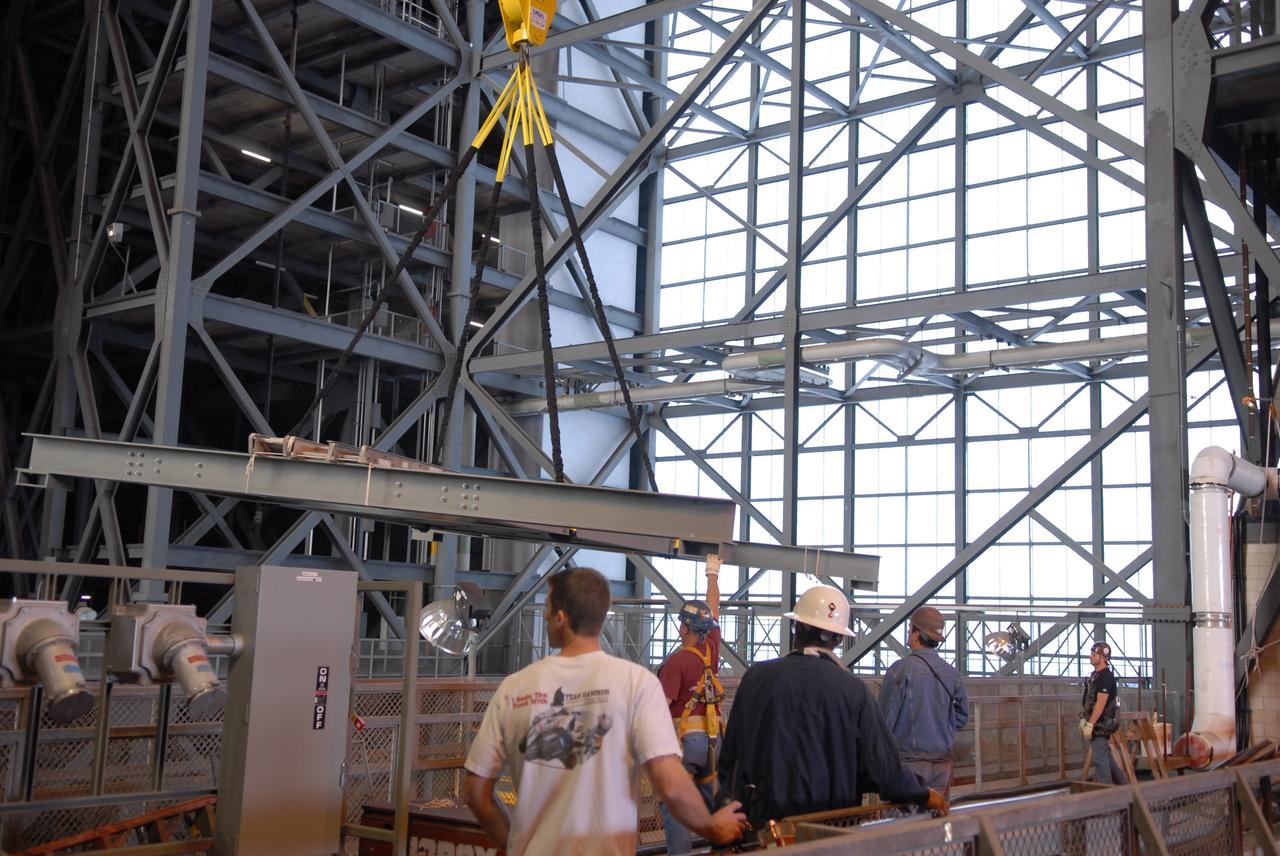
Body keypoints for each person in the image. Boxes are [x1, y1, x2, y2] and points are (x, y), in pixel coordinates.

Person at [462, 567, 746, 855]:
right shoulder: (636, 683)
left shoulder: (514, 689)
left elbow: (475, 793)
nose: (545, 616)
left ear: (561, 617)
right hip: (708, 742)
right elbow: (671, 785)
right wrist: (713, 827)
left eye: (548, 609)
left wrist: (515, 845)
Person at [717, 585, 948, 828]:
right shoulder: (853, 690)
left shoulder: (756, 678)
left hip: (764, 830)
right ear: (839, 638)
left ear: (795, 628)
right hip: (829, 833)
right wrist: (924, 793)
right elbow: (884, 771)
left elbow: (729, 760)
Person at [656, 555, 724, 854]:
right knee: (713, 809)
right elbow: (714, 609)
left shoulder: (676, 662)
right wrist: (713, 575)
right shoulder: (711, 650)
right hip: (713, 742)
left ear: (684, 628)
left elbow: (661, 707)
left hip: (683, 743)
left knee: (677, 808)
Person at [877, 605, 970, 800]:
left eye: (910, 627)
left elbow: (884, 723)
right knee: (935, 822)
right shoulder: (953, 675)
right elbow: (962, 718)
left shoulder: (900, 670)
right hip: (943, 764)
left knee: (904, 825)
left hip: (908, 765)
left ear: (916, 633)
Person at [1079, 640, 1124, 784]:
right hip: (1097, 723)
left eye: (1094, 654)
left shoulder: (1105, 677)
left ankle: (1109, 798)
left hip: (1101, 725)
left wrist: (1090, 724)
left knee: (1100, 761)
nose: (1090, 657)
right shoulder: (1096, 676)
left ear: (1103, 658)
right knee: (1107, 761)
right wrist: (1085, 719)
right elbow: (1090, 702)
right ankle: (1127, 792)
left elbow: (1100, 703)